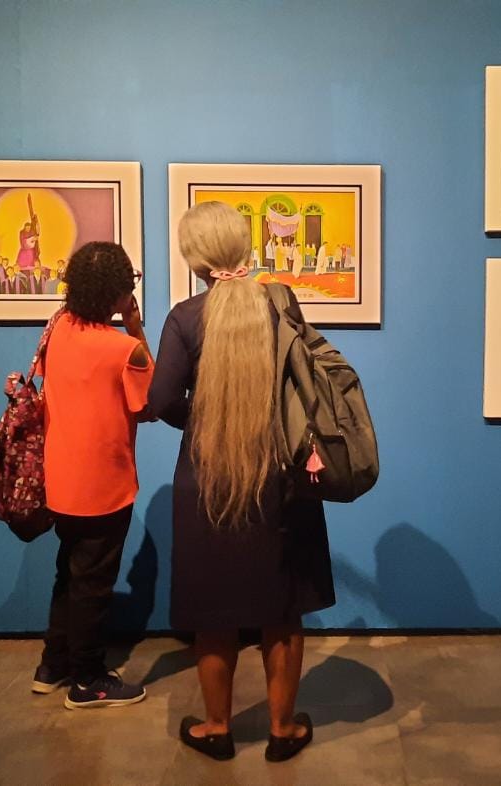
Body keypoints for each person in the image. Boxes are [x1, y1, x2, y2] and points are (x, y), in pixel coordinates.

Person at [150, 201, 334, 762]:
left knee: (213, 610)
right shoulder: (281, 303)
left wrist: (204, 420)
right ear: (244, 247)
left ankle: (217, 727)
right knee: (283, 608)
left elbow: (160, 402)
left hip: (208, 478)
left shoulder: (184, 317)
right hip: (281, 476)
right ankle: (282, 730)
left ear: (195, 257)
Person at [34, 241, 153, 711]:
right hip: (104, 486)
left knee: (69, 571)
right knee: (93, 583)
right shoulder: (125, 349)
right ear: (120, 293)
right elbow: (148, 406)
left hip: (59, 478)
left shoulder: (57, 328)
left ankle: (52, 663)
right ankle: (87, 679)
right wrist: (136, 327)